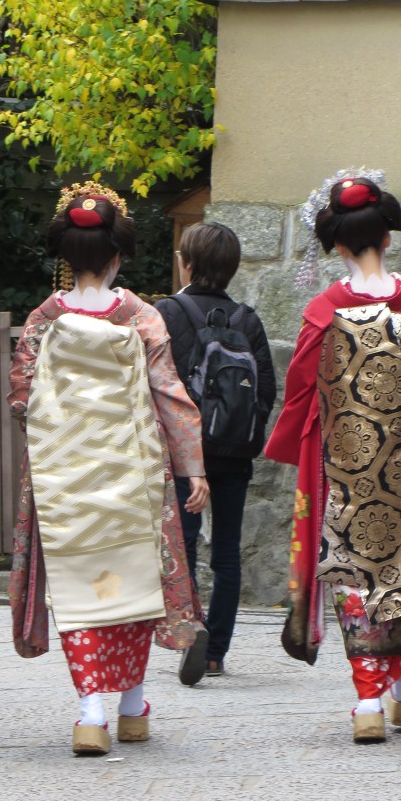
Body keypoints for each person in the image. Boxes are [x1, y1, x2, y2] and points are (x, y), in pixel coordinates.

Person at [265, 172, 401, 744]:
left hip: (346, 467)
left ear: (336, 243)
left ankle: (368, 702)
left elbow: (303, 391)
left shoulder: (324, 310)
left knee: (356, 567)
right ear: (388, 235)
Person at [7, 181, 209, 756]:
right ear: (118, 255)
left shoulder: (43, 319)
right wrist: (192, 466)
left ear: (67, 261)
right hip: (133, 472)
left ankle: (90, 711)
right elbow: (169, 394)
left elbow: (22, 399)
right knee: (134, 580)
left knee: (78, 584)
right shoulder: (140, 317)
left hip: (63, 474)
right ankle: (132, 705)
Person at [155, 222, 276, 683]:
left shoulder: (165, 312)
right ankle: (215, 653)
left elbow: (155, 383)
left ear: (185, 262)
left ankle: (189, 632)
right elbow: (265, 390)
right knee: (226, 551)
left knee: (180, 546)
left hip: (182, 452)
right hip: (232, 453)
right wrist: (241, 437)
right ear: (231, 268)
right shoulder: (247, 319)